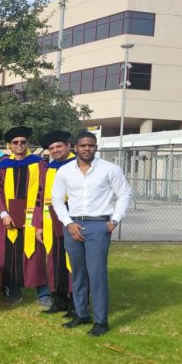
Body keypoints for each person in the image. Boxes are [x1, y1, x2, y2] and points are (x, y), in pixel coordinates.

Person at [52, 131, 132, 337]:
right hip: (73, 225)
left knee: (97, 274)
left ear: (96, 147)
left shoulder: (109, 169)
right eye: (83, 146)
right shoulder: (65, 171)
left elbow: (124, 194)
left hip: (98, 225)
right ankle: (81, 314)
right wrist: (69, 223)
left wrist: (114, 221)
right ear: (75, 148)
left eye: (91, 145)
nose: (87, 149)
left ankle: (101, 321)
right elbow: (57, 200)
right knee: (78, 273)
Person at [0, 126, 50, 307]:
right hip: (8, 219)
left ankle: (43, 293)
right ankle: (14, 292)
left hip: (33, 218)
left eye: (23, 142)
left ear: (27, 144)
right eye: (15, 142)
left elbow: (43, 191)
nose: (19, 145)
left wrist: (38, 219)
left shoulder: (39, 164)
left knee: (36, 256)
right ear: (9, 145)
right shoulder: (2, 167)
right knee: (9, 255)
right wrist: (3, 214)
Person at [36, 131, 76, 316]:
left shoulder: (80, 165)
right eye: (51, 148)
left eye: (59, 146)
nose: (55, 150)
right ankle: (59, 300)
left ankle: (76, 302)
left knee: (74, 260)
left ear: (68, 145)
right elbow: (39, 195)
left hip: (74, 217)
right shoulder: (48, 169)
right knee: (54, 259)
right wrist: (39, 225)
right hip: (50, 218)